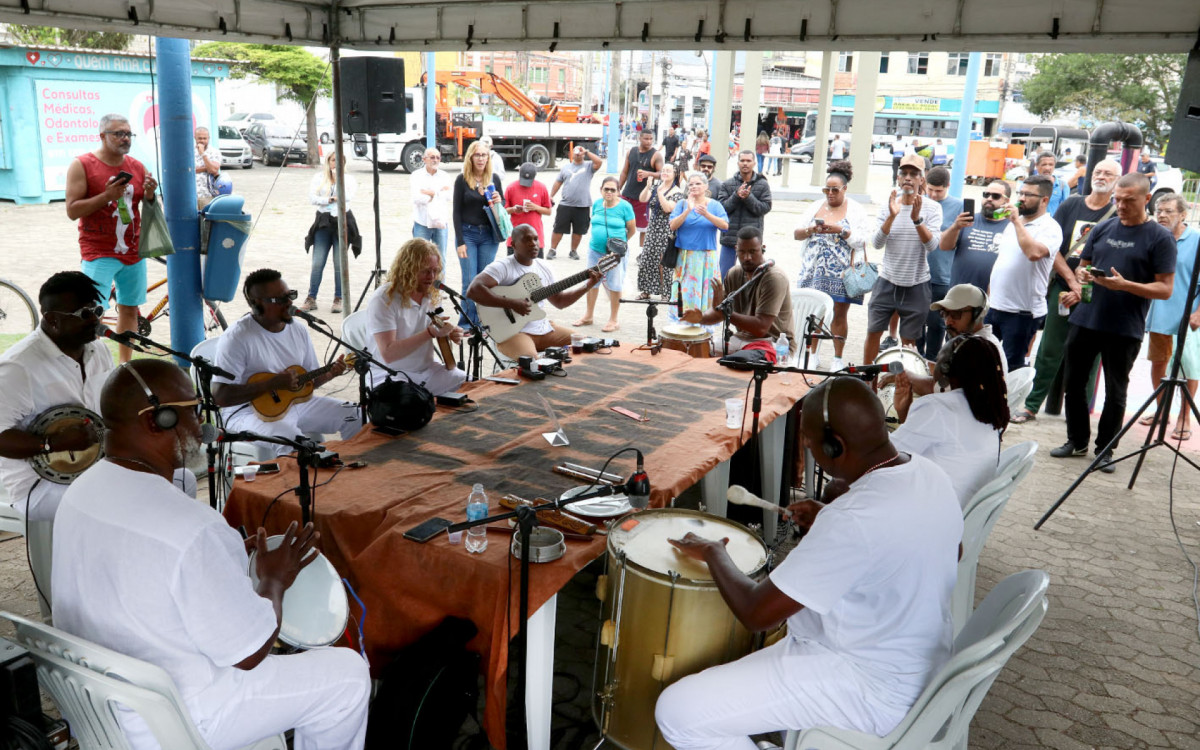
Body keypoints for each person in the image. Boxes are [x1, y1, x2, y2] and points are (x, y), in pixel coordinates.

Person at [52, 359, 370, 750]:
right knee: (347, 676)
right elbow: (250, 653)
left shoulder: (80, 492)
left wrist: (227, 556)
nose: (202, 423)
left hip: (99, 706)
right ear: (157, 420)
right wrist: (275, 579)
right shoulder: (192, 527)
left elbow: (146, 571)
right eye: (193, 410)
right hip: (175, 720)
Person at [654, 376, 961, 749]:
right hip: (917, 664)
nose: (807, 447)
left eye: (810, 441)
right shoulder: (929, 473)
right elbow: (952, 550)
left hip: (869, 684)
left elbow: (756, 613)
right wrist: (834, 522)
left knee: (678, 712)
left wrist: (714, 552)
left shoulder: (852, 520)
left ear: (835, 445)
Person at [1052, 173, 1176, 473]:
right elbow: (1083, 266)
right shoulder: (1104, 227)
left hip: (1124, 326)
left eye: (1128, 200)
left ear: (1147, 199)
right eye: (1117, 199)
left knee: (1116, 391)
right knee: (1074, 383)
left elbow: (1165, 289)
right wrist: (1082, 276)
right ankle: (1077, 441)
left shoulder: (1160, 237)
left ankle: (1105, 450)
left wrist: (1126, 286)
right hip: (1086, 319)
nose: (1120, 206)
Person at [212, 269, 362, 456]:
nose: (289, 303)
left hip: (294, 405)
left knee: (356, 415)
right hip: (246, 413)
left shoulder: (299, 330)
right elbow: (220, 396)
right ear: (257, 304)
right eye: (279, 299)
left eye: (290, 295)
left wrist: (330, 374)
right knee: (295, 442)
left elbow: (308, 383)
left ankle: (355, 466)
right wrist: (271, 384)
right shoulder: (237, 337)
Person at [1014, 159, 1121, 424]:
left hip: (1096, 293)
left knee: (1090, 356)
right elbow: (1055, 248)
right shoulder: (1071, 204)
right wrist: (1072, 281)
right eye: (1098, 171)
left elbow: (1111, 258)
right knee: (1049, 349)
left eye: (1108, 174)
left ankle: (1079, 415)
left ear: (1117, 181)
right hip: (1062, 288)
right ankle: (1031, 405)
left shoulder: (1117, 215)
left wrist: (1083, 288)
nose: (1102, 176)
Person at [65, 113, 159, 364]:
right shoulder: (82, 165)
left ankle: (124, 365)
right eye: (118, 133)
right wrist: (106, 196)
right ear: (102, 136)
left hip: (133, 251)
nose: (125, 138)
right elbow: (72, 211)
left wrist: (150, 195)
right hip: (99, 251)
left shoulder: (137, 166)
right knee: (92, 313)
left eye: (128, 134)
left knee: (130, 309)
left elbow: (144, 206)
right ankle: (91, 366)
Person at [890, 334, 1010, 508]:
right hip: (962, 511)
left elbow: (885, 459)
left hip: (931, 511)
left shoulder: (937, 408)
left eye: (938, 360)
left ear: (946, 370)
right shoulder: (989, 409)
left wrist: (869, 413)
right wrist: (904, 411)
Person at [468, 225, 602, 360]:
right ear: (513, 245)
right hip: (513, 333)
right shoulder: (502, 267)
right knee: (532, 362)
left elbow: (560, 301)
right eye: (527, 240)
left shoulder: (544, 266)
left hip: (544, 329)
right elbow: (473, 290)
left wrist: (587, 286)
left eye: (535, 239)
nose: (533, 244)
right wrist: (511, 303)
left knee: (587, 344)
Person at [863, 154, 943, 365]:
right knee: (873, 333)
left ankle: (904, 382)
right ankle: (868, 378)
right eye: (904, 173)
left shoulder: (933, 208)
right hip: (887, 281)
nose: (908, 178)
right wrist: (892, 216)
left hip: (917, 284)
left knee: (909, 343)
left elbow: (932, 246)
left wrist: (917, 220)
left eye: (914, 174)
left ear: (922, 179)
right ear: (898, 178)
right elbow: (876, 243)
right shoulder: (888, 205)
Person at [794, 160, 870, 371]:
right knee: (814, 313)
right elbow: (796, 233)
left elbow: (863, 241)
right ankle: (812, 354)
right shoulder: (815, 206)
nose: (830, 193)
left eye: (835, 190)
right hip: (813, 270)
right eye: (826, 189)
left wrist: (841, 230)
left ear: (845, 188)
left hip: (841, 273)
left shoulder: (856, 210)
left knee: (839, 314)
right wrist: (811, 230)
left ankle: (837, 358)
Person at [365, 238, 466, 396]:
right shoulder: (384, 299)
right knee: (412, 401)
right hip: (390, 375)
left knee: (467, 385)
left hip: (427, 370)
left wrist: (450, 333)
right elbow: (388, 354)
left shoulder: (432, 294)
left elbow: (439, 330)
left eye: (435, 271)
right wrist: (430, 333)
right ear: (408, 269)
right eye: (425, 271)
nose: (431, 276)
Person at [986, 174, 1063, 371]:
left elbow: (1033, 253)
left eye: (1028, 195)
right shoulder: (1014, 223)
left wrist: (1017, 223)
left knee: (1011, 368)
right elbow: (1002, 262)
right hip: (995, 307)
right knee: (983, 362)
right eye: (1020, 193)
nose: (1021, 198)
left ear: (1044, 200)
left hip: (1022, 313)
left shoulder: (1050, 228)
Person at [682, 227, 796, 359]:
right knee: (698, 350)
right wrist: (701, 318)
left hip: (774, 344)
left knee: (738, 361)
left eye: (753, 251)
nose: (747, 257)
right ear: (736, 249)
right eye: (742, 252)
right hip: (741, 339)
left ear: (762, 248)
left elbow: (761, 328)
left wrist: (725, 312)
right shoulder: (734, 274)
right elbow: (720, 312)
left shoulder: (774, 278)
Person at [1142, 195, 1199, 438]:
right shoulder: (1154, 237)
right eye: (1159, 211)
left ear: (1183, 215)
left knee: (1189, 368)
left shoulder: (1196, 240)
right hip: (1159, 315)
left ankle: (1184, 417)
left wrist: (1199, 313)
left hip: (1188, 317)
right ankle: (1161, 410)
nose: (1162, 215)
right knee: (1159, 363)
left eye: (1168, 211)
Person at [452, 141, 505, 327]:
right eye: (477, 155)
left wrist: (499, 200)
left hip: (489, 236)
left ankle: (483, 323)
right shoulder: (462, 179)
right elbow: (456, 212)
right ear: (470, 157)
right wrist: (460, 241)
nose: (481, 158)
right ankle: (467, 323)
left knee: (484, 282)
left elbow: (503, 206)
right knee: (469, 281)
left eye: (484, 155)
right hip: (468, 234)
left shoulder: (494, 178)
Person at [575, 177, 636, 332]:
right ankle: (588, 315)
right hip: (595, 250)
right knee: (591, 282)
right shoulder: (597, 204)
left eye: (612, 190)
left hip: (615, 254)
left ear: (618, 192)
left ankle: (613, 319)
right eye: (606, 189)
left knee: (615, 284)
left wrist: (619, 244)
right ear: (601, 190)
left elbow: (632, 229)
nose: (609, 192)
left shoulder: (625, 207)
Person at [302, 151, 358, 314]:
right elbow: (313, 198)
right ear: (328, 161)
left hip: (342, 220)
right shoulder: (319, 178)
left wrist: (337, 181)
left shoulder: (348, 179)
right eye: (334, 160)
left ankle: (339, 298)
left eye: (340, 160)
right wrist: (330, 199)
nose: (336, 163)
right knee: (317, 262)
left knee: (339, 263)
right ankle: (311, 297)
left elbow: (347, 196)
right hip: (324, 222)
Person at [669, 171, 731, 320]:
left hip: (706, 256)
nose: (694, 186)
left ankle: (705, 321)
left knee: (706, 290)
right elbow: (672, 225)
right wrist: (688, 211)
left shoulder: (714, 205)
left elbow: (725, 226)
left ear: (706, 186)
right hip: (685, 256)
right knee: (684, 290)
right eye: (691, 184)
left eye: (698, 183)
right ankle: (682, 320)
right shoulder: (682, 204)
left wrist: (706, 214)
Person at [920, 166, 964, 360]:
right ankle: (917, 358)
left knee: (937, 324)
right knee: (916, 320)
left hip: (942, 274)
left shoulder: (958, 206)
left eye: (939, 191)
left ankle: (932, 361)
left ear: (948, 186)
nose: (933, 195)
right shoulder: (920, 203)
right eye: (930, 189)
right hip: (918, 274)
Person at [939, 180, 1011, 292]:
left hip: (991, 295)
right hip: (959, 292)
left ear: (1007, 201)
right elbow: (944, 246)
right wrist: (955, 227)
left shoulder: (1011, 227)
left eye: (996, 196)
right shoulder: (967, 220)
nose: (989, 198)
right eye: (986, 194)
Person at [718, 150, 773, 279]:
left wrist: (749, 197)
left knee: (753, 276)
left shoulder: (762, 184)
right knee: (725, 275)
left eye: (748, 161)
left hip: (752, 240)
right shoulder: (727, 184)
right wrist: (736, 196)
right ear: (738, 163)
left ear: (754, 163)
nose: (745, 163)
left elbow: (765, 208)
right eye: (742, 160)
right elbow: (722, 209)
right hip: (730, 237)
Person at [636, 163, 684, 299]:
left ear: (675, 174)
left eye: (668, 171)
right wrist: (648, 187)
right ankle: (646, 290)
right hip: (652, 229)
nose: (665, 173)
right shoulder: (657, 187)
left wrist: (659, 193)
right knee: (647, 258)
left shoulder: (678, 192)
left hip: (666, 230)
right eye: (663, 170)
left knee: (664, 262)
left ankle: (666, 292)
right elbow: (642, 199)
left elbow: (668, 208)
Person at [548, 145, 602, 260]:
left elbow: (599, 162)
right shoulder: (565, 168)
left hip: (582, 205)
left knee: (579, 230)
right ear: (571, 154)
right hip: (565, 204)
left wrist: (586, 152)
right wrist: (551, 195)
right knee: (558, 228)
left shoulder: (589, 166)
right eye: (575, 151)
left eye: (580, 150)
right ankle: (552, 249)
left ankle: (573, 251)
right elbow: (558, 182)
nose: (578, 153)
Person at [618, 129, 663, 253]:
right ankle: (619, 248)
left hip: (644, 197)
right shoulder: (631, 152)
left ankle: (642, 254)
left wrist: (649, 174)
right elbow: (624, 172)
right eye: (646, 139)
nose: (649, 141)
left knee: (644, 228)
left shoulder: (656, 155)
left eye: (651, 139)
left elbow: (662, 174)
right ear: (639, 138)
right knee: (621, 224)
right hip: (627, 195)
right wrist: (617, 189)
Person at [410, 147, 453, 262]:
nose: (435, 160)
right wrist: (439, 193)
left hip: (440, 223)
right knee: (419, 258)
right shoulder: (416, 175)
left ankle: (440, 276)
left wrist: (431, 193)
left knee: (440, 258)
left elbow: (449, 196)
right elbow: (416, 198)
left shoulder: (445, 176)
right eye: (432, 157)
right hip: (422, 221)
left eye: (438, 158)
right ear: (424, 159)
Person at [504, 162, 552, 256]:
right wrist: (513, 209)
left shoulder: (541, 187)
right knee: (513, 264)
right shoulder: (511, 188)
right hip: (516, 236)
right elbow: (503, 212)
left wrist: (535, 207)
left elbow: (549, 211)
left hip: (535, 236)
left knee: (536, 265)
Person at [1034, 151, 1071, 216]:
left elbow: (1066, 210)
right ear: (1036, 165)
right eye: (1044, 164)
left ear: (1054, 166)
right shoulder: (1028, 184)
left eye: (1051, 165)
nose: (1047, 168)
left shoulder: (1062, 186)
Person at [193, 126, 221, 210]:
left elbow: (213, 170)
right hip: (192, 195)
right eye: (199, 138)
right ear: (195, 138)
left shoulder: (214, 152)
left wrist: (202, 154)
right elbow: (187, 170)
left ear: (209, 138)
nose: (202, 141)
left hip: (208, 195)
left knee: (207, 217)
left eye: (204, 138)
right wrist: (207, 168)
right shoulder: (189, 152)